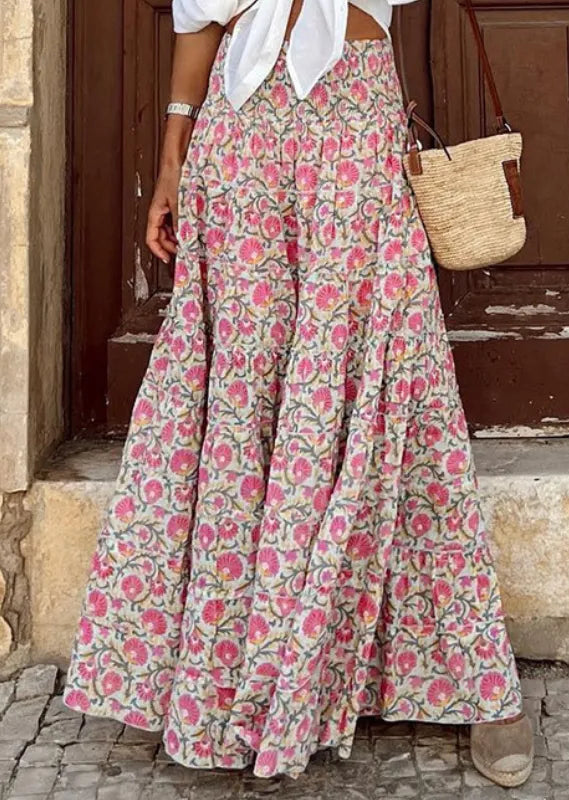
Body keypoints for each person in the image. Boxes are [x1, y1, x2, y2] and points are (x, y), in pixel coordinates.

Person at [63, 0, 534, 787]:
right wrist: (174, 157)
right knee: (242, 397)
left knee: (393, 376)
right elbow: (199, 22)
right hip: (240, 135)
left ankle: (475, 674)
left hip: (355, 119)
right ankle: (237, 682)